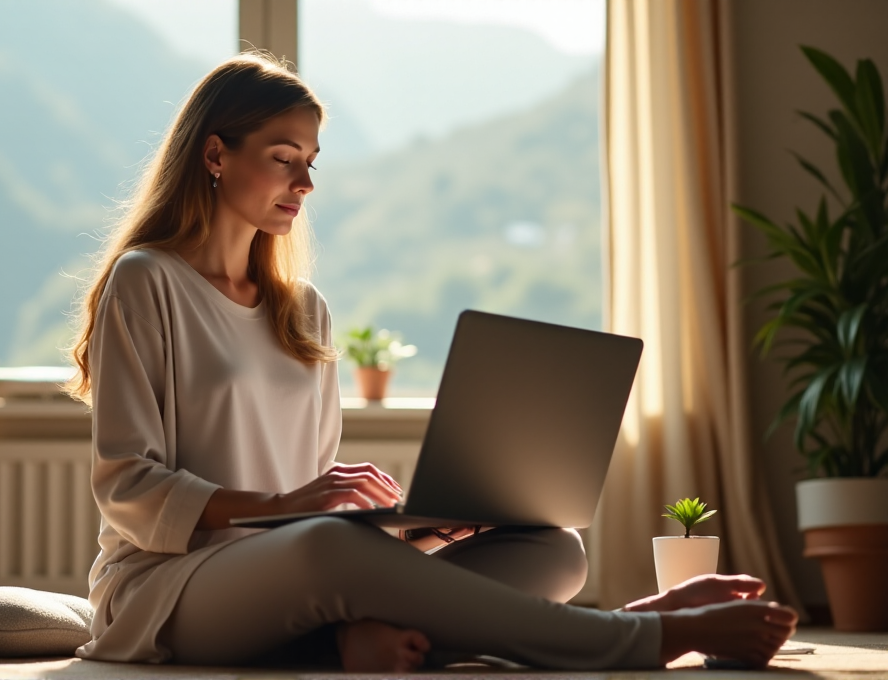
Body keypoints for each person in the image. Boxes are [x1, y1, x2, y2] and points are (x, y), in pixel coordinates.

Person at [64, 52, 797, 672]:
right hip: (166, 584)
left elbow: (313, 501)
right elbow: (127, 486)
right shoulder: (146, 279)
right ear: (216, 155)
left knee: (552, 548)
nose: (305, 185)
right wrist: (288, 508)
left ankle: (346, 647)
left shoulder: (303, 310)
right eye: (284, 160)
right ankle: (645, 631)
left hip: (295, 568)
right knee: (325, 548)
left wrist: (414, 531)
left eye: (312, 163)